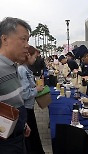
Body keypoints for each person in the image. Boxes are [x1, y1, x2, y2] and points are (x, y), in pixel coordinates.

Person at [0, 17, 31, 154]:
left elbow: (12, 102)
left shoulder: (14, 67)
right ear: (5, 39)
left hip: (17, 137)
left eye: (27, 40)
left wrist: (21, 124)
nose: (27, 45)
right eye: (23, 39)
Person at [18, 46, 45, 154]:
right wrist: (36, 89)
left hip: (29, 107)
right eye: (34, 57)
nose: (35, 59)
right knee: (30, 139)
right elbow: (24, 93)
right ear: (28, 55)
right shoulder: (22, 70)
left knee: (33, 138)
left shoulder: (25, 69)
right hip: (26, 108)